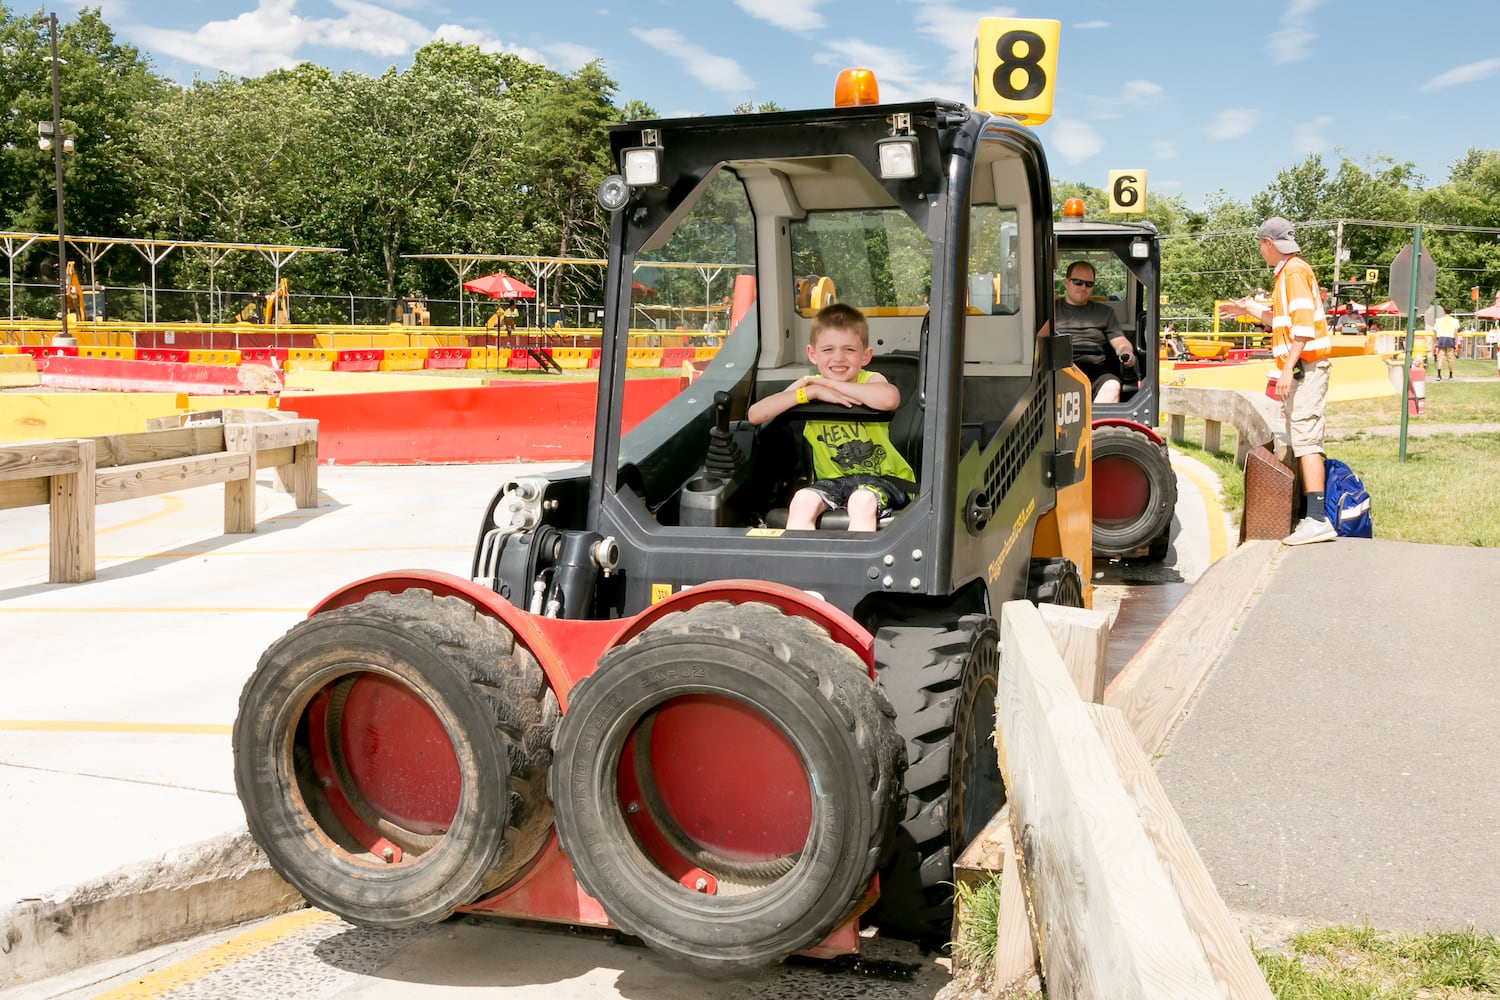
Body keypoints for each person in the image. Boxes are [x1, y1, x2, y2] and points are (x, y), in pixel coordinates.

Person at [1218, 216, 1336, 545]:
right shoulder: (1286, 273)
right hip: (1303, 367)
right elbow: (1280, 321)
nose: (1260, 252)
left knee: (1307, 441)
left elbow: (1302, 328)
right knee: (1301, 438)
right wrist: (1248, 309)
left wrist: (1287, 370)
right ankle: (1311, 516)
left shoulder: (1294, 272)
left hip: (1306, 368)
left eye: (1260, 245)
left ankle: (1316, 519)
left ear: (1269, 243)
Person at [747, 303, 915, 531]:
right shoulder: (809, 385)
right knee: (801, 501)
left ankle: (857, 566)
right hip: (833, 481)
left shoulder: (869, 379)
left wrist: (830, 384)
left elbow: (889, 399)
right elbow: (755, 415)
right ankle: (802, 565)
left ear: (865, 356)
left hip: (883, 480)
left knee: (861, 501)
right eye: (828, 350)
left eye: (849, 350)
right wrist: (809, 392)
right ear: (812, 354)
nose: (838, 358)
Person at [1053, 261, 1137, 403]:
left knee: (1112, 386)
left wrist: (1127, 352)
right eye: (1078, 282)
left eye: (1089, 284)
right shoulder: (1050, 310)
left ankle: (1096, 425)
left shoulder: (1105, 312)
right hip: (1059, 369)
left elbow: (1120, 341)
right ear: (1066, 282)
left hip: (1095, 370)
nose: (1083, 287)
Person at [1433, 308, 1458, 380]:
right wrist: (1456, 343)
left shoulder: (1439, 320)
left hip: (1441, 338)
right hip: (1450, 339)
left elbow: (1435, 331)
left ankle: (1438, 375)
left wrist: (1435, 342)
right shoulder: (1455, 321)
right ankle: (1450, 375)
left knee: (1440, 358)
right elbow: (1455, 333)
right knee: (1450, 358)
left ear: (1444, 311)